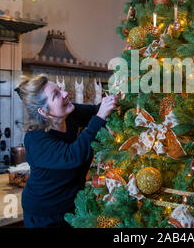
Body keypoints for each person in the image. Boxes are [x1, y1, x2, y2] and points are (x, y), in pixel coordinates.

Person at [14, 74, 118, 228]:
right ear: (43, 111)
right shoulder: (35, 139)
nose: (65, 94)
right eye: (56, 95)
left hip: (71, 206)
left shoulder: (69, 115)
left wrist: (115, 101)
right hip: (45, 215)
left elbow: (96, 110)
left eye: (60, 89)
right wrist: (100, 116)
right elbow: (73, 156)